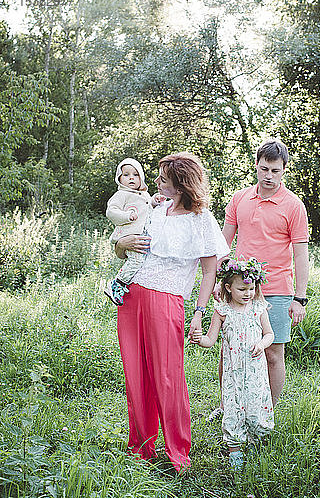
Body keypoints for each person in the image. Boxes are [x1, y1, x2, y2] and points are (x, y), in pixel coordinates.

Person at [115, 152, 230, 473]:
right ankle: (142, 445)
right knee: (136, 374)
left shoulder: (201, 220)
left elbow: (210, 272)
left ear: (180, 186)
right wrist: (124, 241)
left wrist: (199, 312)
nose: (155, 182)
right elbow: (124, 247)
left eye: (163, 179)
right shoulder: (156, 208)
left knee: (167, 376)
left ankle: (178, 450)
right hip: (132, 295)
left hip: (167, 300)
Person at [214, 138, 309, 411]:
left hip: (277, 289)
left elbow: (300, 254)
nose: (269, 176)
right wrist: (221, 281)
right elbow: (224, 243)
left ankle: (267, 410)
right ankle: (228, 407)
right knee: (230, 350)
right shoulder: (240, 198)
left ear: (284, 170)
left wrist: (299, 298)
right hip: (239, 286)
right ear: (256, 166)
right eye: (264, 169)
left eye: (275, 171)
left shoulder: (293, 205)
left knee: (272, 353)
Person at [192, 258, 274, 471]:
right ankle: (234, 449)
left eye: (251, 288)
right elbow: (210, 340)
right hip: (233, 373)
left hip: (255, 371)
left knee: (256, 403)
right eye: (242, 289)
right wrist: (199, 339)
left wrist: (262, 344)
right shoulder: (222, 311)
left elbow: (270, 334)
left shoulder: (258, 308)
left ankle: (257, 441)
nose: (248, 293)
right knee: (233, 407)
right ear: (228, 287)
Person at [104, 158, 164, 306]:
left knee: (139, 261)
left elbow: (147, 209)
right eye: (126, 175)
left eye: (135, 175)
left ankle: (124, 285)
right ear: (119, 178)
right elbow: (111, 212)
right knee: (136, 261)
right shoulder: (121, 195)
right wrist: (126, 216)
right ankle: (117, 284)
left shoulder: (143, 196)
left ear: (141, 178)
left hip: (141, 235)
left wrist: (154, 202)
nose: (131, 178)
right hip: (129, 235)